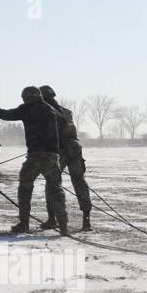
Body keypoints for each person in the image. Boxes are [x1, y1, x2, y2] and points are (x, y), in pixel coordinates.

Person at [0, 87, 69, 235]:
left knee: (25, 187)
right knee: (56, 189)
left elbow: (3, 114)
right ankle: (63, 225)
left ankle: (24, 223)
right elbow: (64, 124)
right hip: (52, 156)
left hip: (35, 156)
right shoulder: (52, 110)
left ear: (26, 97)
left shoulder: (27, 109)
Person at [40, 85, 92, 231]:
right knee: (79, 182)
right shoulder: (67, 112)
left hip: (59, 150)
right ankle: (86, 220)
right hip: (75, 148)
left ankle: (52, 219)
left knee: (52, 184)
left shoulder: (46, 112)